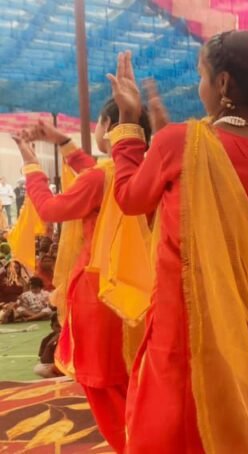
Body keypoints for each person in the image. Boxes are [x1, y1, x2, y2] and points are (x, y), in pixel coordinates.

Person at [105, 31, 248, 452]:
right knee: (242, 416)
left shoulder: (182, 142)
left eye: (201, 76)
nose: (199, 88)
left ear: (222, 83)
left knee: (184, 425)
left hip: (188, 323)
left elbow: (131, 199)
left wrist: (129, 124)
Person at [12, 100, 153, 453]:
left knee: (104, 385)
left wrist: (31, 165)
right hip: (140, 289)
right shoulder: (144, 170)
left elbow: (50, 209)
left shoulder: (100, 178)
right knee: (134, 381)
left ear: (108, 126)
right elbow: (97, 174)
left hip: (100, 291)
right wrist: (62, 142)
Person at [35, 314, 63, 379]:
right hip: (57, 367)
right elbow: (44, 361)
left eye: (64, 325)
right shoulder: (47, 339)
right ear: (52, 327)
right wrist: (50, 345)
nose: (61, 329)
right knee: (40, 369)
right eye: (58, 326)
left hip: (73, 367)